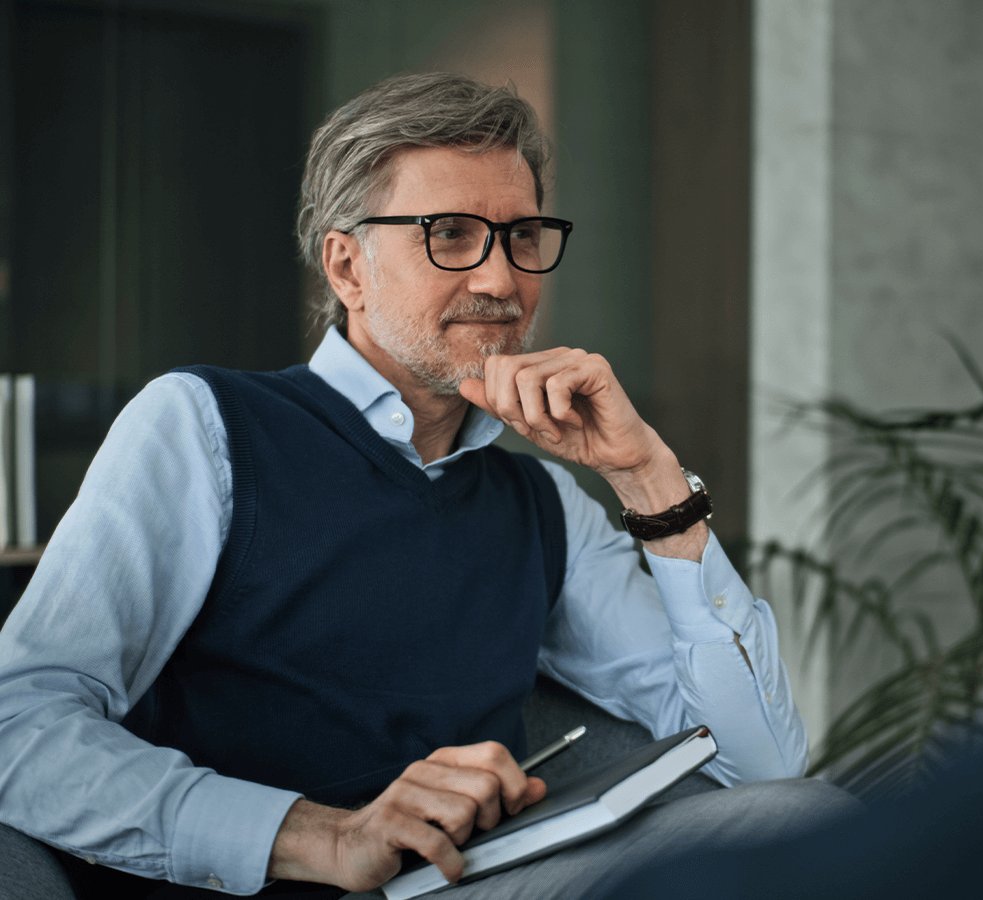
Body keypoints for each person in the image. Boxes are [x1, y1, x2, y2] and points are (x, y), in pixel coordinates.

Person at [0, 73, 853, 900]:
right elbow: (20, 727)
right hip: (270, 883)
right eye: (449, 234)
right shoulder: (205, 426)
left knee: (805, 821)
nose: (500, 280)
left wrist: (645, 474)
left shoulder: (544, 505)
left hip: (470, 878)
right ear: (347, 268)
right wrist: (323, 837)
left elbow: (761, 767)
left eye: (522, 236)